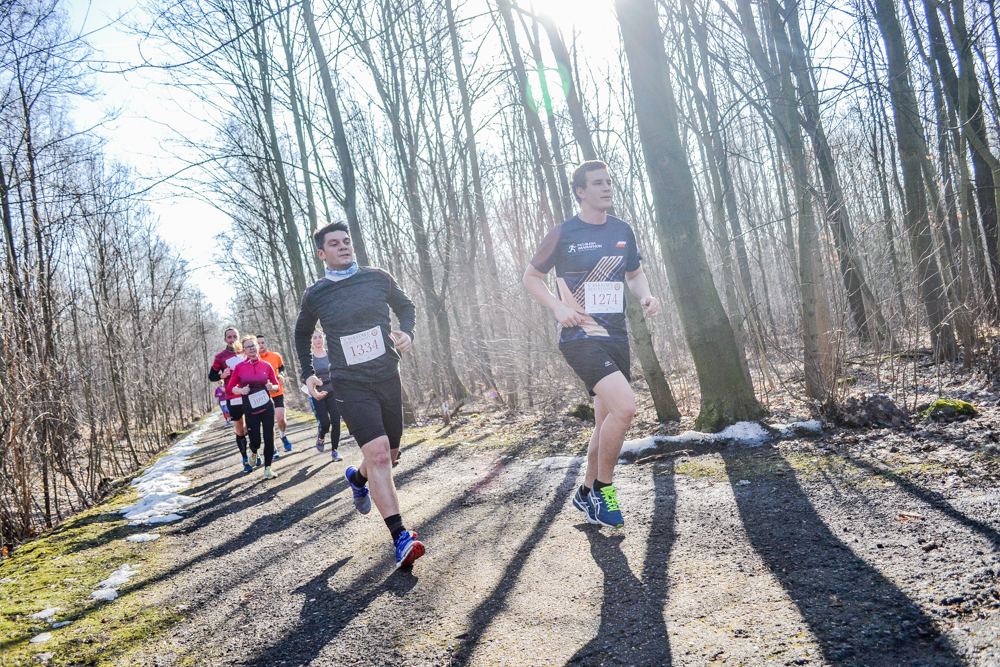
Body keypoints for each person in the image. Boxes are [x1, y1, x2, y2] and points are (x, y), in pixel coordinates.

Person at [522, 160, 661, 529]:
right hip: (580, 334)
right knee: (626, 408)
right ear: (581, 191)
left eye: (609, 182)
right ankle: (603, 490)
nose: (607, 188)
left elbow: (635, 273)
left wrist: (645, 296)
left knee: (605, 418)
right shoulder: (563, 233)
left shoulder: (622, 230)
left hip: (616, 335)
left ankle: (584, 493)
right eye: (598, 183)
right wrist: (557, 306)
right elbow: (531, 277)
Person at [294, 221, 423, 568]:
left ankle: (358, 477)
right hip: (349, 383)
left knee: (390, 454)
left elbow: (407, 307)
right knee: (379, 454)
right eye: (334, 244)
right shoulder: (315, 294)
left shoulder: (377, 277)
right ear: (321, 254)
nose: (343, 246)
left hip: (386, 376)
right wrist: (307, 374)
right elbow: (301, 335)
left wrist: (407, 332)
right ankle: (400, 538)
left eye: (346, 241)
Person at [230, 336, 282, 480]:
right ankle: (253, 451)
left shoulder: (266, 365)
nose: (252, 348)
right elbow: (231, 388)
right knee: (256, 440)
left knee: (269, 438)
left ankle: (268, 468)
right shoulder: (240, 367)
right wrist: (241, 391)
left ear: (257, 347)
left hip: (267, 407)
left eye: (253, 345)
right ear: (244, 350)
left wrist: (273, 387)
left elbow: (277, 385)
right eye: (248, 346)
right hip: (250, 408)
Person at [209, 327, 252, 473]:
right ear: (225, 340)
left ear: (239, 337)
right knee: (240, 429)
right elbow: (211, 376)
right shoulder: (220, 357)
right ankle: (245, 459)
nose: (232, 339)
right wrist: (222, 375)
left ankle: (254, 452)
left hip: (249, 394)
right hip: (232, 397)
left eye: (235, 336)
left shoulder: (245, 352)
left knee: (252, 426)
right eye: (229, 337)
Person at [308, 329, 343, 461]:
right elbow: (303, 377)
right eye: (314, 338)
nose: (317, 340)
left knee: (336, 421)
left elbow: (338, 368)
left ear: (323, 339)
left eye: (319, 337)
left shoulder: (330, 354)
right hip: (318, 393)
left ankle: (335, 451)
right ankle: (321, 436)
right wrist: (315, 381)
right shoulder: (310, 359)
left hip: (333, 391)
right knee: (325, 423)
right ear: (311, 341)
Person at [256, 334, 293, 454]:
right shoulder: (253, 359)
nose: (261, 345)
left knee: (280, 418)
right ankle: (273, 447)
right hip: (262, 394)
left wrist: (281, 375)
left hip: (277, 391)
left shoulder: (275, 356)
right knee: (269, 422)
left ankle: (282, 435)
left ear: (266, 343)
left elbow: (282, 368)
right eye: (258, 343)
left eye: (263, 342)